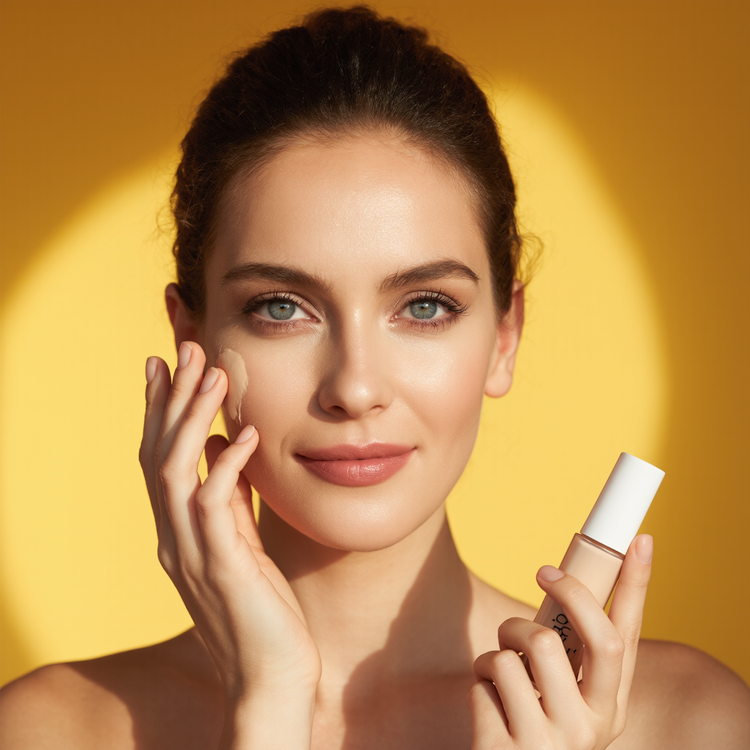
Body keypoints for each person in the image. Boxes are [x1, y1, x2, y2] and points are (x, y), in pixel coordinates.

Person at [1, 6, 748, 749]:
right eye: (281, 307)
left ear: (505, 335)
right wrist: (267, 705)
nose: (355, 388)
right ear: (191, 337)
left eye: (424, 306)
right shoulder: (52, 731)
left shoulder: (687, 724)